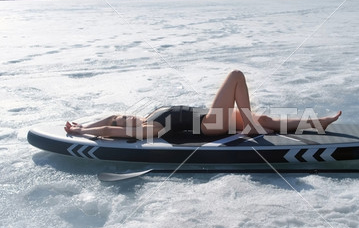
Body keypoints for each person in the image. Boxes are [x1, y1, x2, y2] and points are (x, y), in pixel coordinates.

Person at [64, 70, 342, 138]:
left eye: (126, 116)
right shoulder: (148, 130)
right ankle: (252, 127)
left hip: (212, 118)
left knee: (266, 120)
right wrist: (85, 133)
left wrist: (84, 123)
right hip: (208, 125)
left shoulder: (147, 115)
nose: (128, 117)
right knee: (236, 76)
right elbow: (111, 130)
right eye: (126, 121)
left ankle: (319, 123)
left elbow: (111, 118)